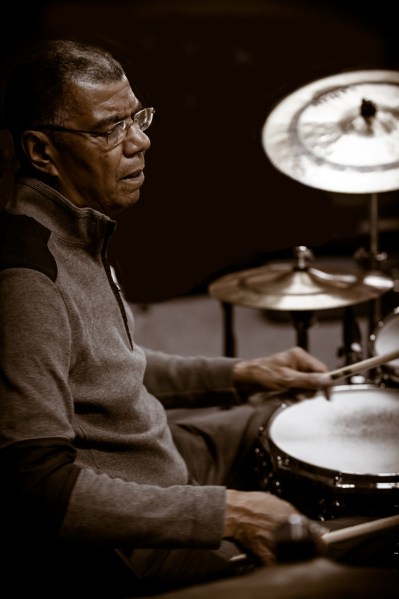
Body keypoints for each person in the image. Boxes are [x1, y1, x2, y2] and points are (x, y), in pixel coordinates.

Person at [0, 38, 373, 598]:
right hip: (130, 546)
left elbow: (107, 368)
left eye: (138, 118)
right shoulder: (28, 284)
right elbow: (36, 489)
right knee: (351, 555)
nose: (141, 142)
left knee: (295, 410)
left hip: (162, 452)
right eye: (109, 130)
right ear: (41, 152)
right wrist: (227, 514)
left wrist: (238, 374)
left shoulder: (78, 230)